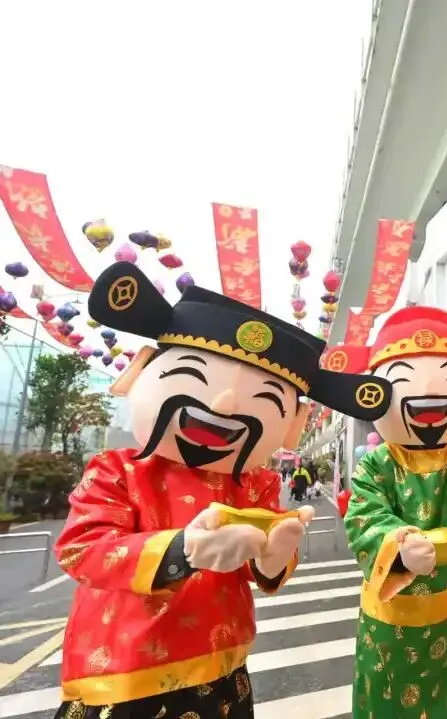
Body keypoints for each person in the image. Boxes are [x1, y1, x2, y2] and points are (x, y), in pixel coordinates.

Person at [52, 261, 393, 719]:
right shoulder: (119, 470)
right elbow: (81, 548)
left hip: (223, 669)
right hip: (122, 671)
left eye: (265, 399)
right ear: (139, 372)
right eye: (193, 375)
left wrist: (274, 557)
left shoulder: (255, 482)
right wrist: (184, 549)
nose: (225, 405)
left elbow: (257, 567)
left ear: (293, 427)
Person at [338, 307, 447, 717]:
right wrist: (398, 545)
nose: (429, 396)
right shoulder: (375, 464)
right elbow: (364, 517)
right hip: (390, 622)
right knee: (387, 705)